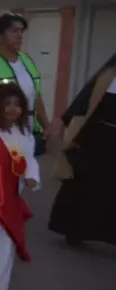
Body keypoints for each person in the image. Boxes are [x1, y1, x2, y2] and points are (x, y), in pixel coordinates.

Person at [49, 51, 116, 248]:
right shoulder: (108, 75)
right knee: (82, 186)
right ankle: (73, 230)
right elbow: (84, 102)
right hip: (96, 138)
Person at [0, 83, 39, 290]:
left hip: (11, 197)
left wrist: (32, 176)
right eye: (7, 104)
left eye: (17, 104)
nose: (13, 109)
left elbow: (29, 159)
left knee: (5, 243)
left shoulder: (25, 132)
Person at [0, 13, 51, 153]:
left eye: (21, 31)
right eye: (14, 31)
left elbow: (35, 96)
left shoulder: (26, 60)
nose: (19, 35)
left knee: (27, 170)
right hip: (0, 132)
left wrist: (46, 125)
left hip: (28, 131)